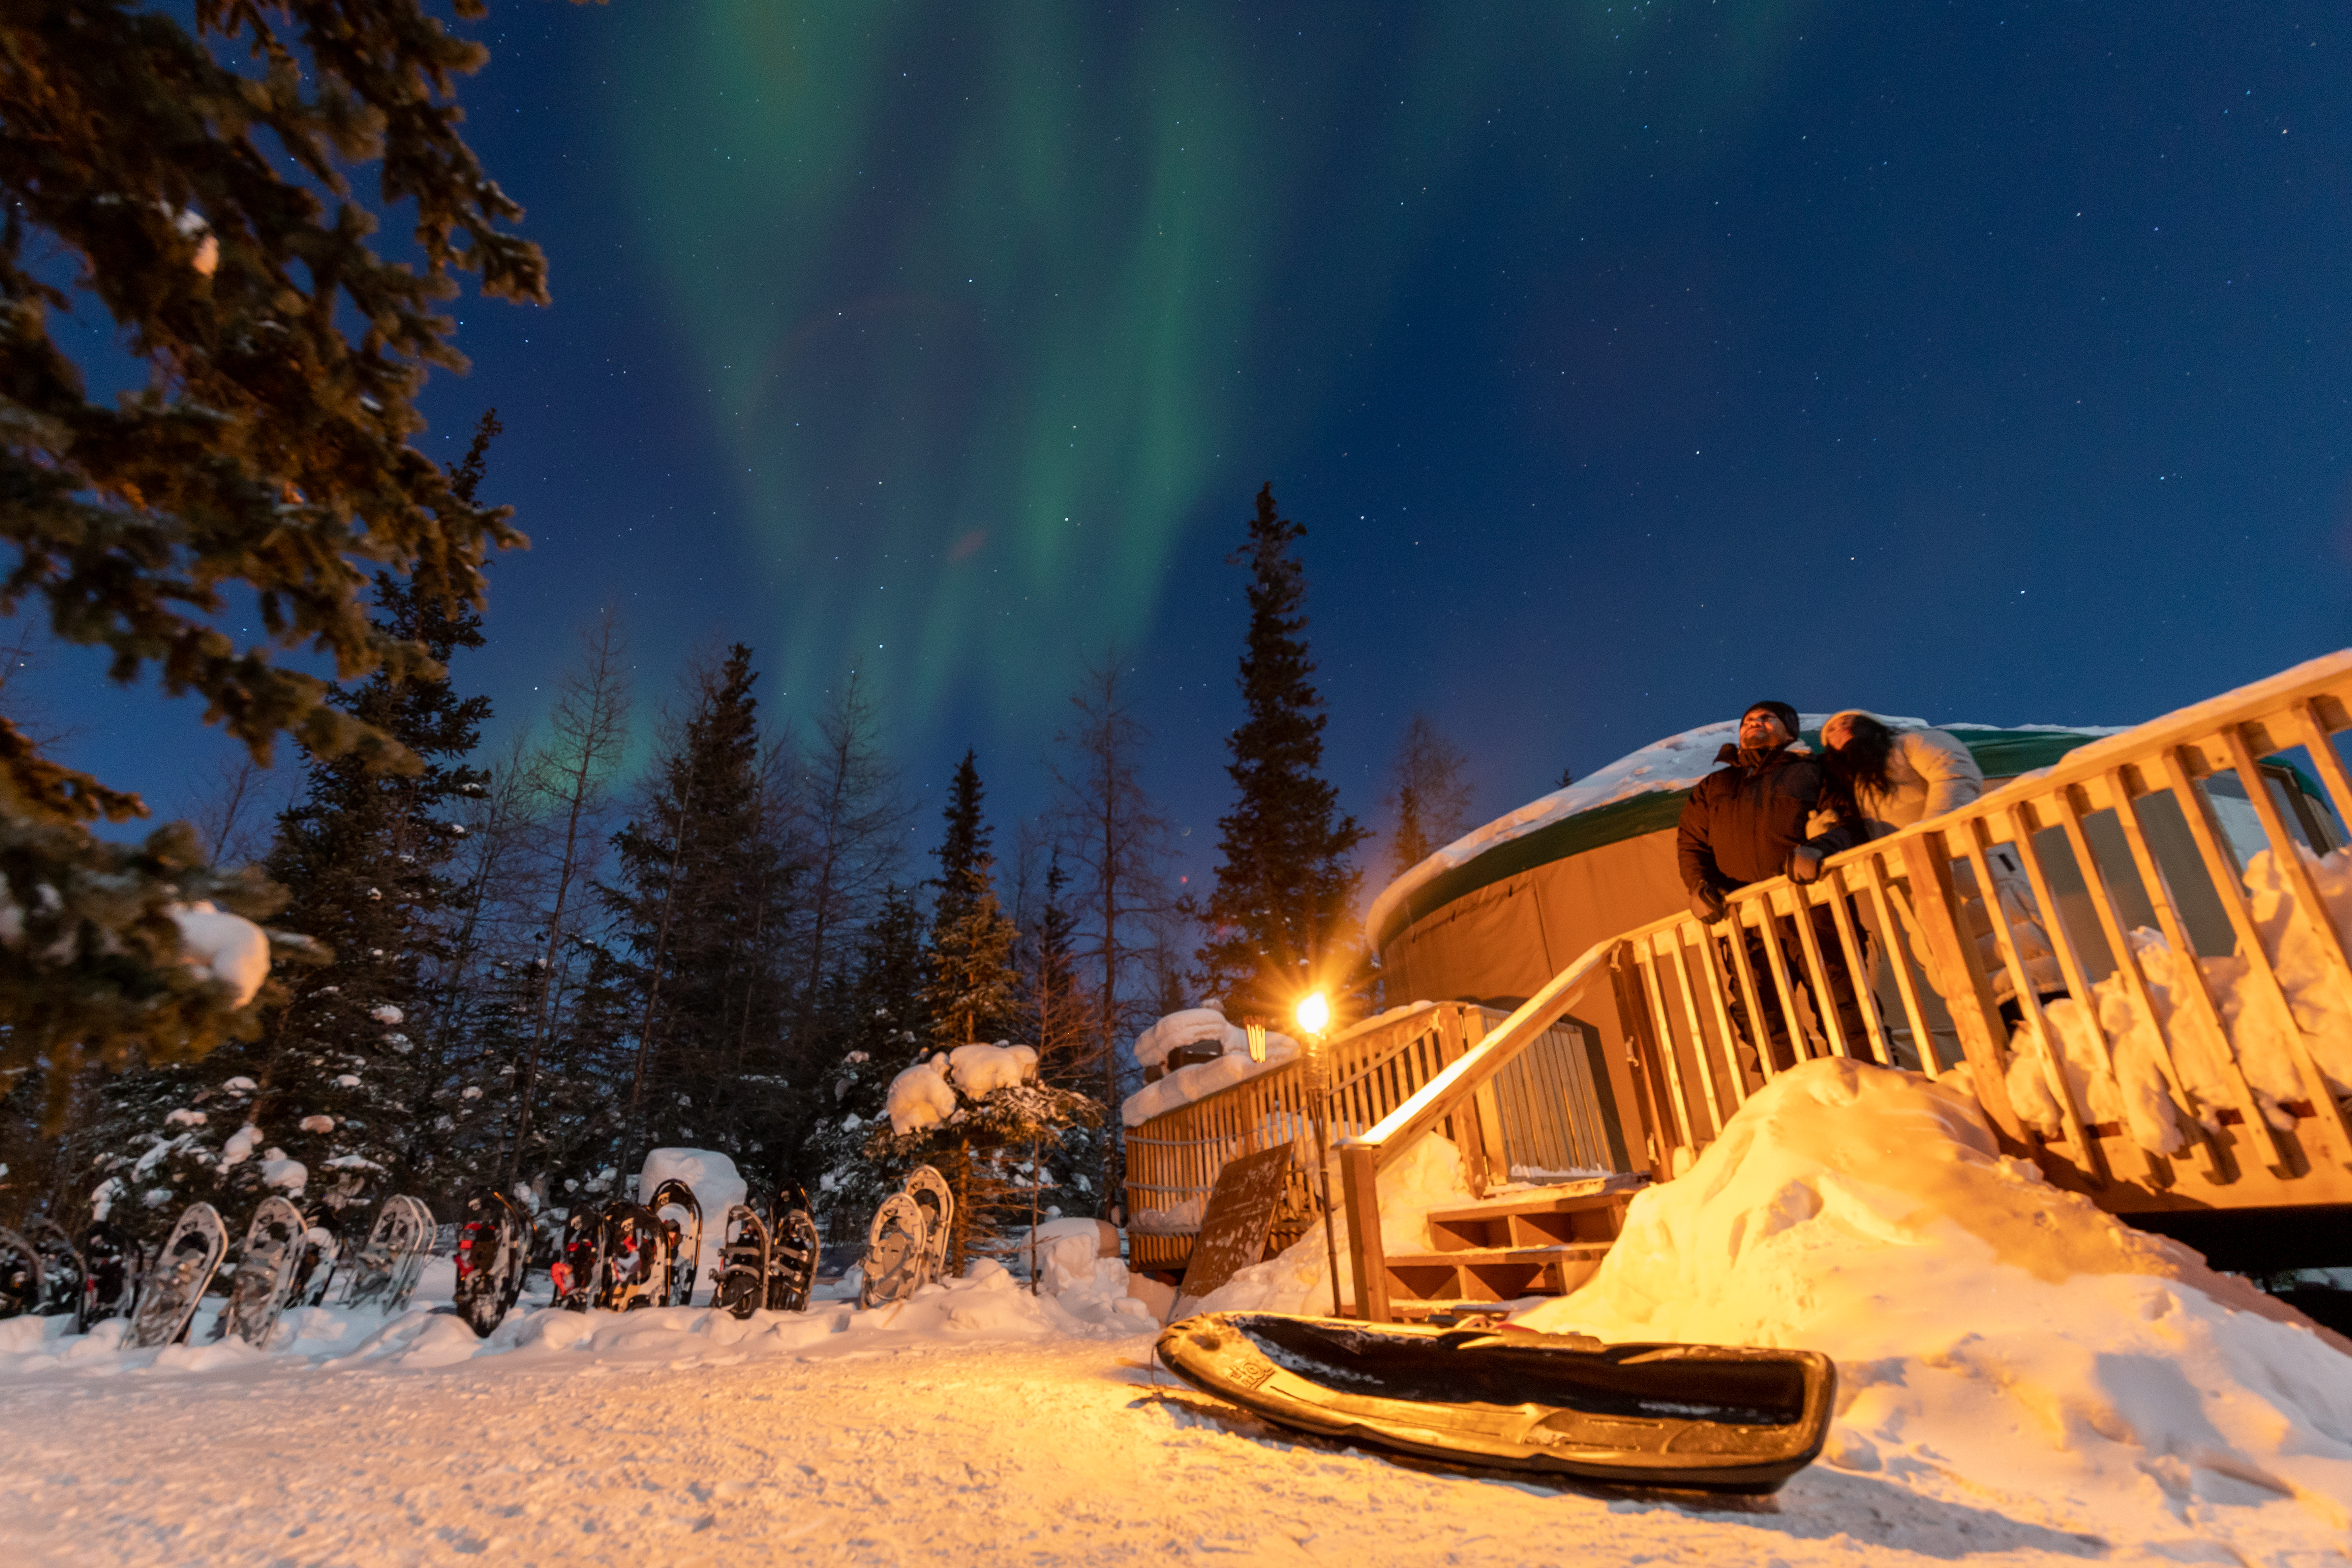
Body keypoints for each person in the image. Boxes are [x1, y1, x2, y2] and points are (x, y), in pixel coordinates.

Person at [1819, 711, 2063, 1013]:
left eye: (1850, 721)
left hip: (1970, 860)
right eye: (1831, 729)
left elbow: (1954, 772)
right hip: (1914, 883)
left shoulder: (1911, 742)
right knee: (1963, 978)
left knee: (2023, 952)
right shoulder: (1852, 786)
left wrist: (1928, 835)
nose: (1842, 727)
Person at [1677, 701, 1867, 1069]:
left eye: (1767, 719)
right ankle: (1787, 1099)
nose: (1755, 724)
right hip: (1744, 918)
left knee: (1842, 1002)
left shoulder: (1814, 770)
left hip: (1813, 907)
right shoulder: (1714, 786)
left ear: (1790, 731)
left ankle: (1868, 1086)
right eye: (1748, 720)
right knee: (1759, 1013)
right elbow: (1692, 844)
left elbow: (1850, 820)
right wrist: (1699, 885)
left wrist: (1821, 849)